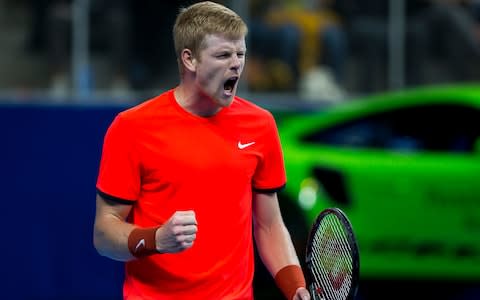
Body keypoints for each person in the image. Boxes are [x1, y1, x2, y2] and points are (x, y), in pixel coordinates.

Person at [93, 2, 311, 300]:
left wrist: (295, 286)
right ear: (190, 59)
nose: (236, 64)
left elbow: (269, 224)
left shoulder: (261, 125)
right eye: (223, 55)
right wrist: (156, 239)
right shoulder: (131, 128)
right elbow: (104, 234)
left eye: (241, 54)